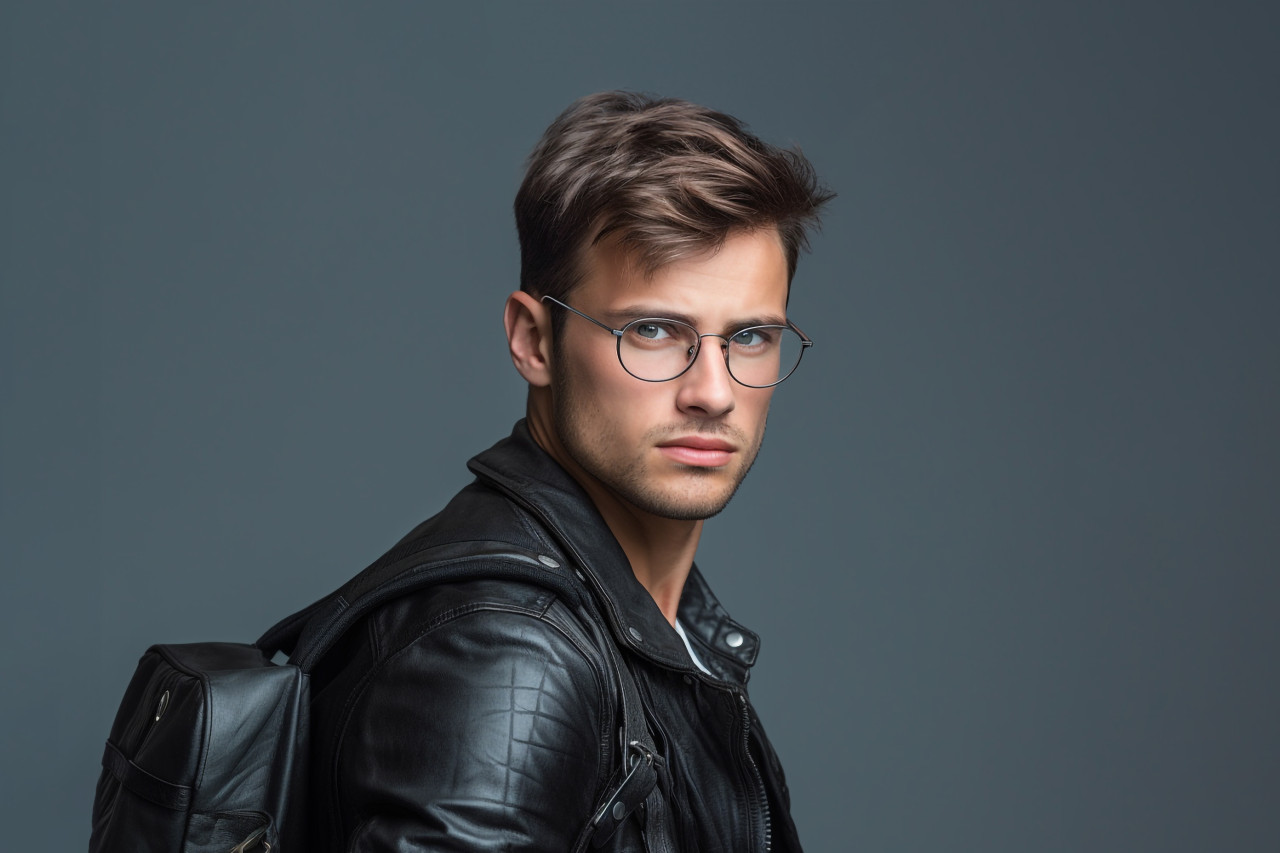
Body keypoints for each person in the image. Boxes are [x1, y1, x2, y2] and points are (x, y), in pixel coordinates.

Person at [308, 91, 832, 852]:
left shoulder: (651, 622)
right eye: (653, 330)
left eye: (750, 337)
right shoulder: (510, 651)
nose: (714, 392)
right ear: (534, 339)